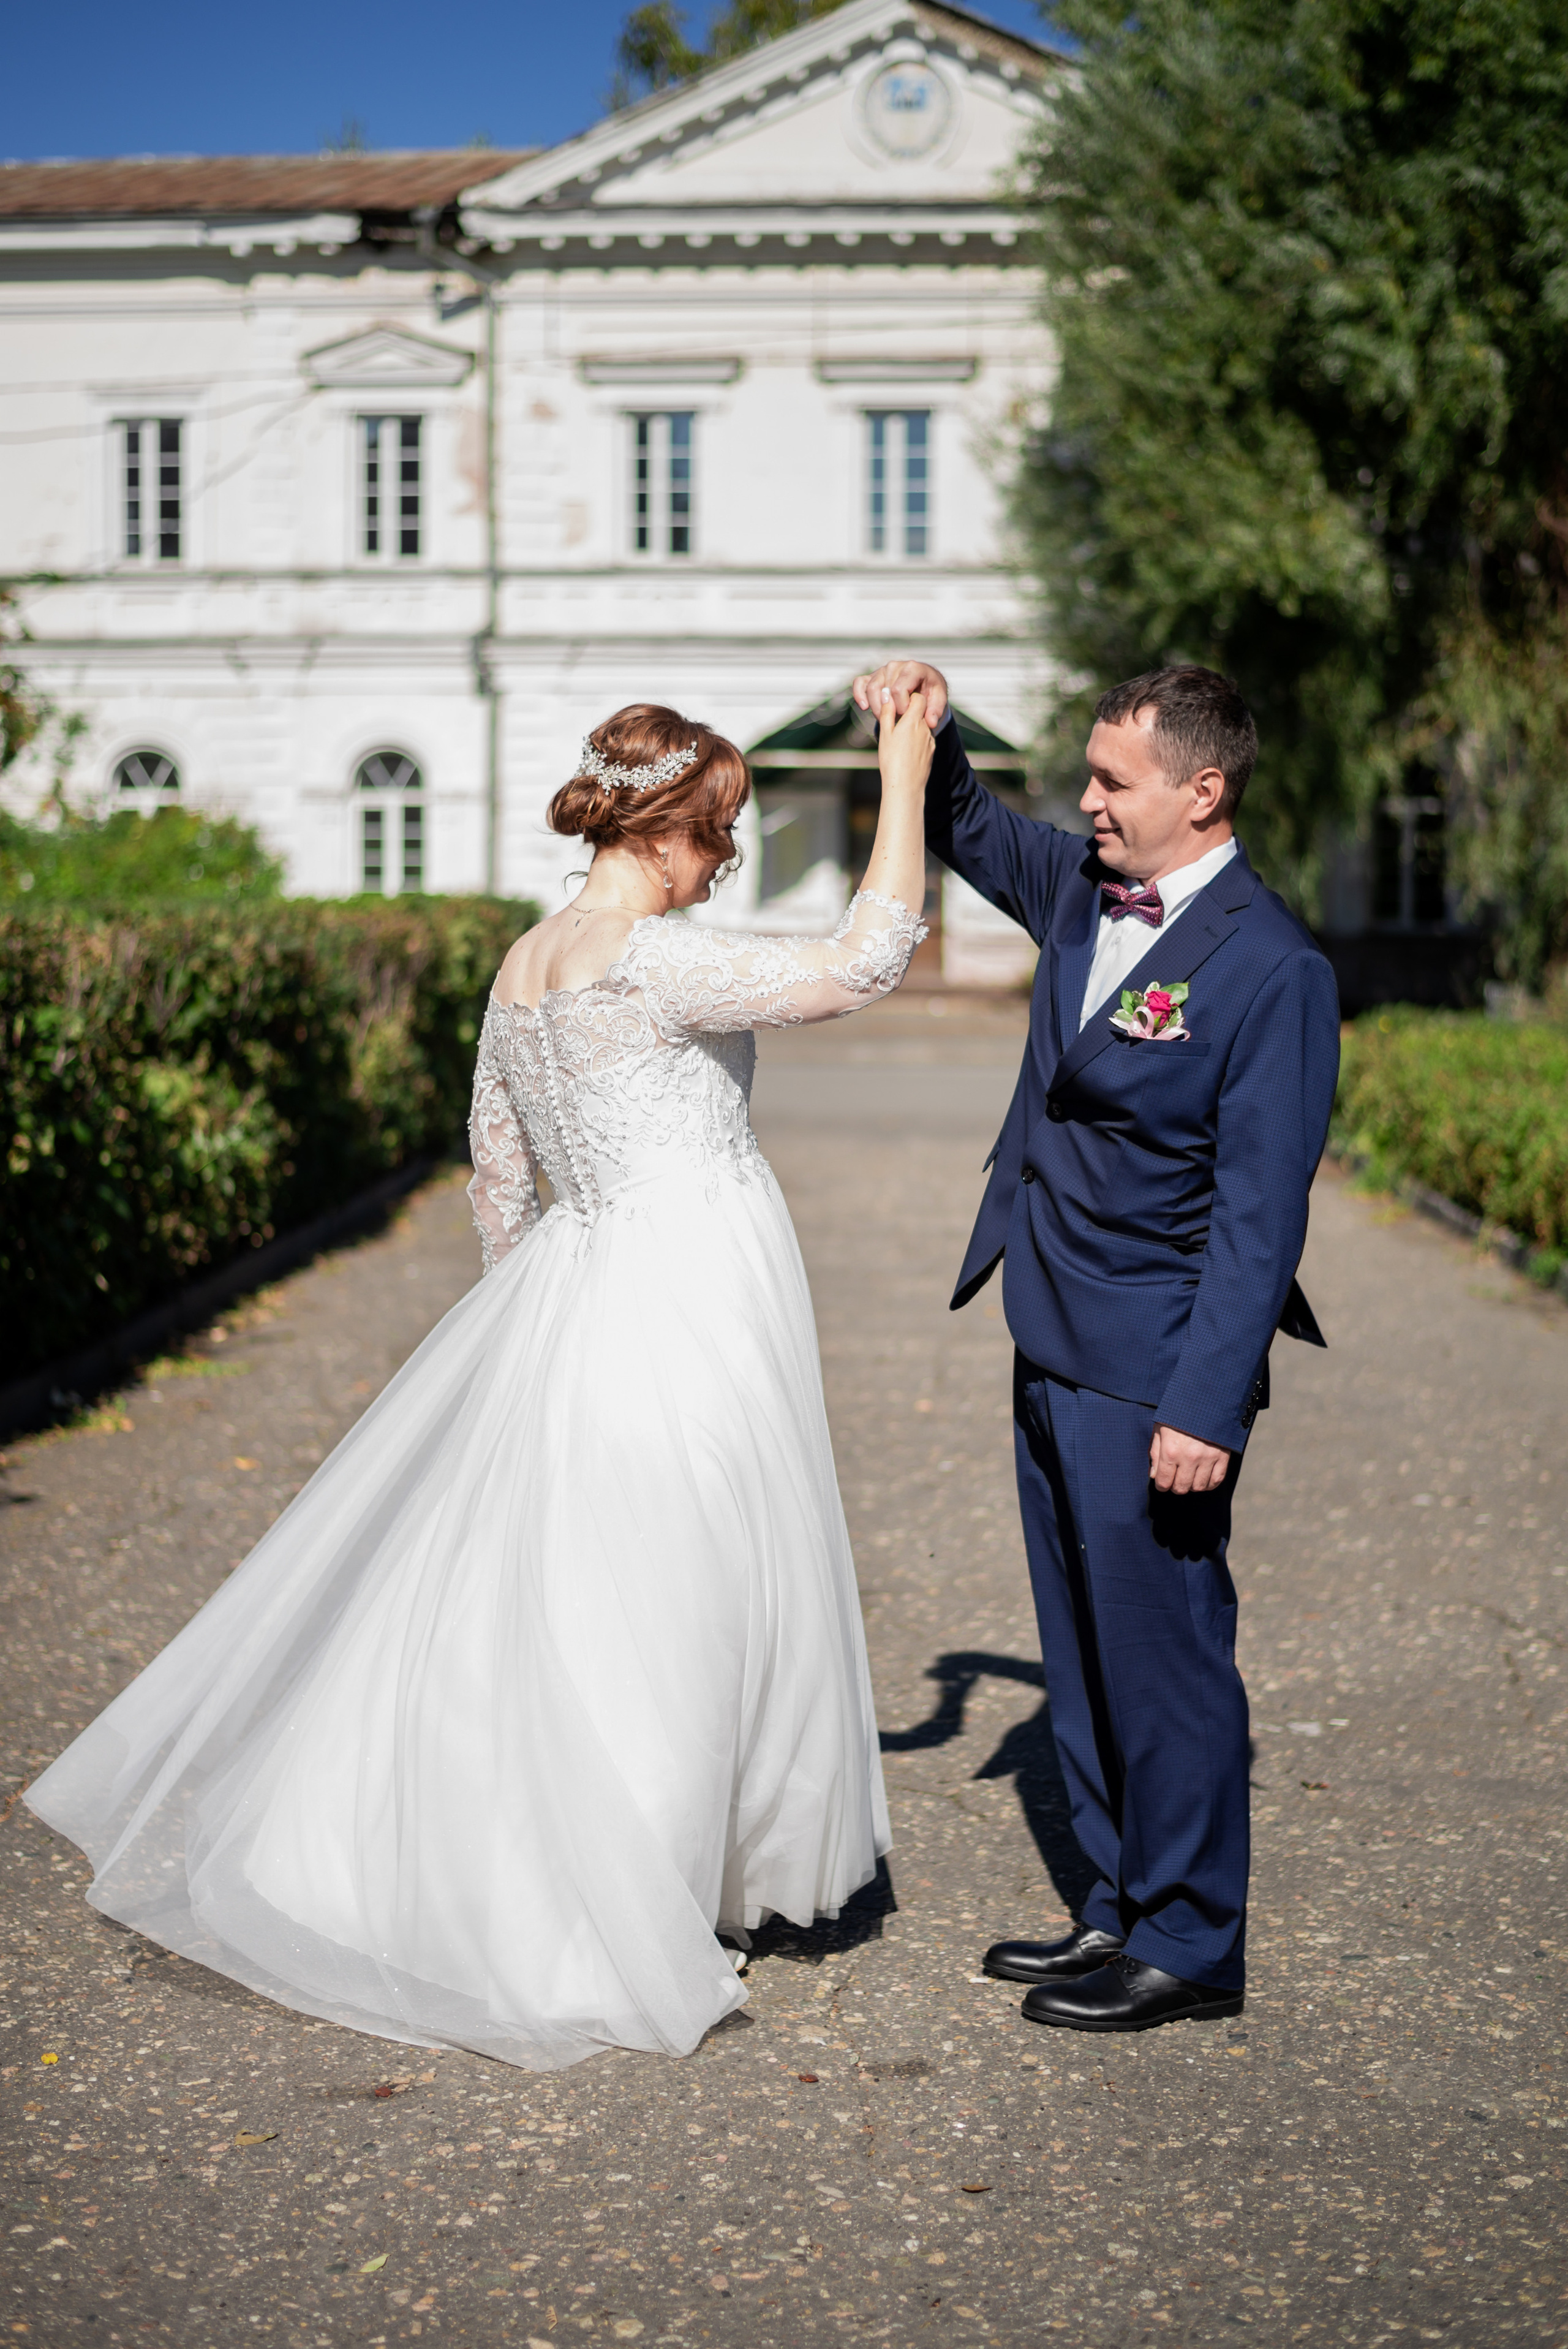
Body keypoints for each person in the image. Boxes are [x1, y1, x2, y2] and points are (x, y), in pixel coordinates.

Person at [26, 692, 935, 2071]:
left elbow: (497, 1178)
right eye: (724, 830)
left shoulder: (522, 967)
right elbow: (864, 963)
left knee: (587, 1585)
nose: (727, 858)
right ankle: (628, 1896)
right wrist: (905, 762)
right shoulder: (652, 962)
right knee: (686, 1579)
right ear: (675, 826)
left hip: (579, 1284)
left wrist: (540, 1322)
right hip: (689, 1287)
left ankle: (582, 1856)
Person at [852, 657, 1340, 2032]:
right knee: (1080, 1645)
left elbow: (1258, 1217)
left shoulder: (1272, 970)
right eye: (1084, 775)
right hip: (1047, 1329)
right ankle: (1115, 1903)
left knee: (1167, 1655)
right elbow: (964, 820)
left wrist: (1205, 1406)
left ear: (1204, 787)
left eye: (1111, 781)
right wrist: (920, 717)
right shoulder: (1080, 883)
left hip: (1154, 1367)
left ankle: (1189, 1944)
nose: (1086, 802)